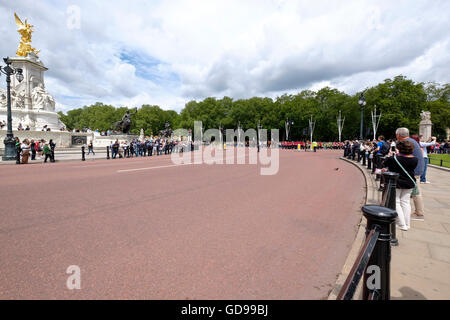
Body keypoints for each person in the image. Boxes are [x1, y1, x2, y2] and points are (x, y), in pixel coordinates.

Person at [383, 140, 418, 231]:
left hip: (397, 182)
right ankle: (407, 223)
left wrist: (391, 155)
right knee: (405, 202)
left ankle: (402, 224)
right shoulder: (415, 159)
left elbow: (384, 163)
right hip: (409, 182)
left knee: (397, 202)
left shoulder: (394, 158)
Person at [396, 128, 425, 221]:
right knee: (414, 192)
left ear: (398, 135)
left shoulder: (407, 142)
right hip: (416, 168)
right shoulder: (411, 141)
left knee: (416, 192)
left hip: (414, 171)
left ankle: (419, 213)